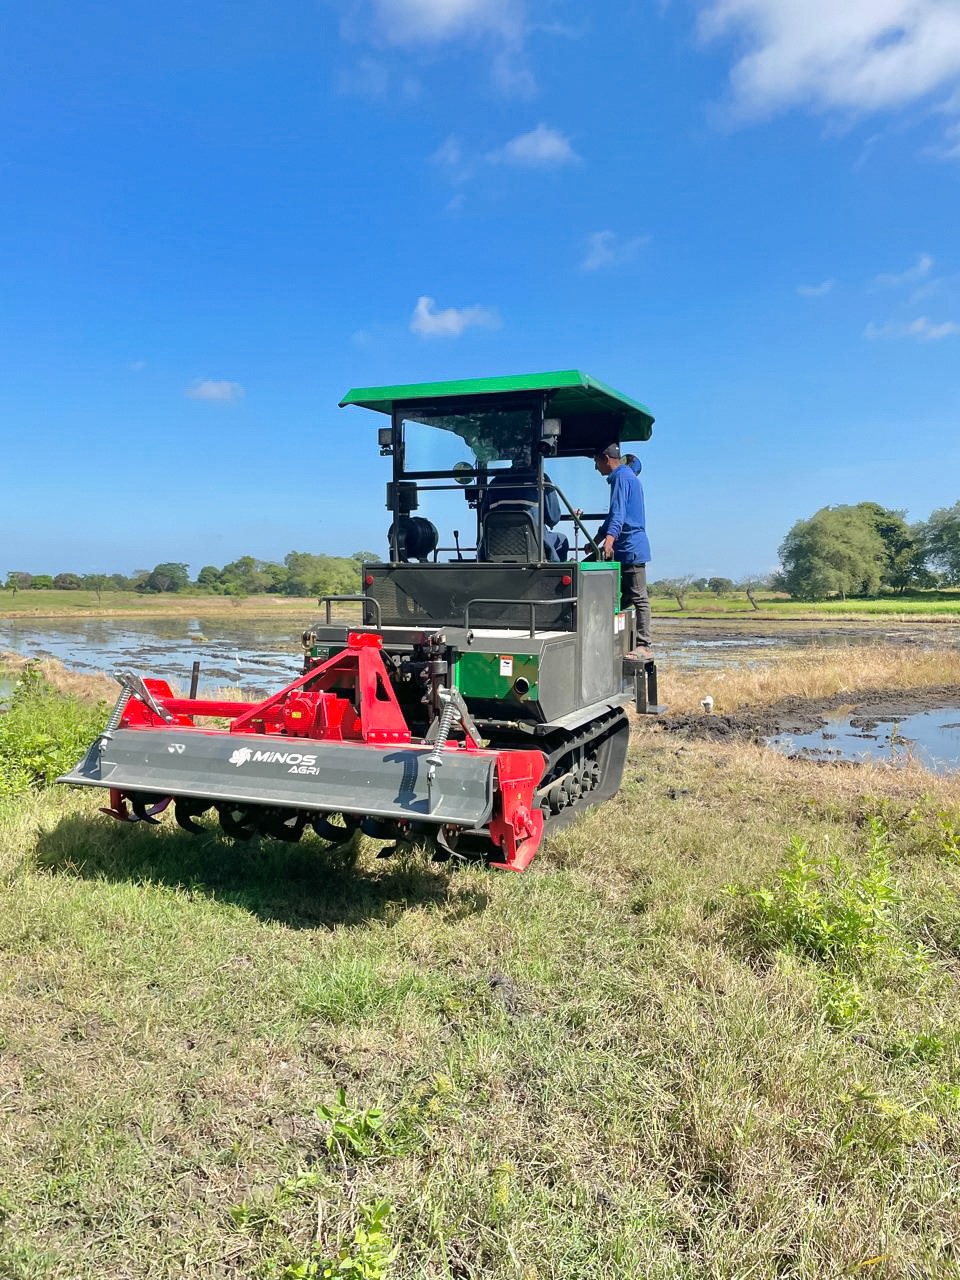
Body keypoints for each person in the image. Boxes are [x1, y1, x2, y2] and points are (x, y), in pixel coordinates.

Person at [593, 443, 651, 651]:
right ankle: (614, 638)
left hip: (631, 546)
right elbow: (612, 516)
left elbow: (618, 513)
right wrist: (597, 539)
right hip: (626, 546)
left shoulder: (620, 477)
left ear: (606, 459)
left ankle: (643, 644)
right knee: (617, 597)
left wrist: (608, 541)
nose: (596, 467)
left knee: (638, 597)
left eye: (596, 462)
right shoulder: (628, 475)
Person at [479, 452, 569, 562]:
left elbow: (483, 517)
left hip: (495, 547)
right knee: (562, 540)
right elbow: (553, 518)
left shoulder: (495, 482)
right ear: (535, 460)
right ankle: (555, 572)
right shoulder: (541, 480)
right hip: (533, 544)